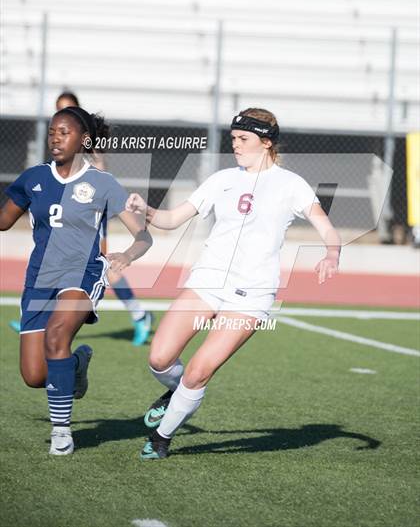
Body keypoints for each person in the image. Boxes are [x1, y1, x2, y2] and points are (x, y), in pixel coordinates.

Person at [126, 107, 341, 460]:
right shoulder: (222, 179)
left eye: (243, 139)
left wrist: (332, 253)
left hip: (252, 294)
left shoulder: (291, 184)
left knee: (198, 371)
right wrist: (146, 210)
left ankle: (161, 438)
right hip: (206, 281)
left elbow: (325, 225)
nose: (236, 146)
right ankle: (176, 394)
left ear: (266, 142)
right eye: (233, 139)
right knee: (160, 358)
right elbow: (172, 219)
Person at [0, 106, 152, 455]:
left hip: (82, 274)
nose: (56, 138)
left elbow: (144, 237)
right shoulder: (34, 177)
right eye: (52, 131)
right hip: (40, 278)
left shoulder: (102, 183)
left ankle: (62, 433)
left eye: (64, 132)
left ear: (83, 140)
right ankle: (77, 363)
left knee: (57, 335)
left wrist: (127, 256)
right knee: (35, 376)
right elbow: (4, 220)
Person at [9, 90, 154, 345]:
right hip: (68, 213)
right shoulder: (58, 149)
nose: (57, 135)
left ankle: (139, 314)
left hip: (88, 211)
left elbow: (98, 173)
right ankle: (38, 318)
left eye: (65, 108)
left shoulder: (89, 147)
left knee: (106, 267)